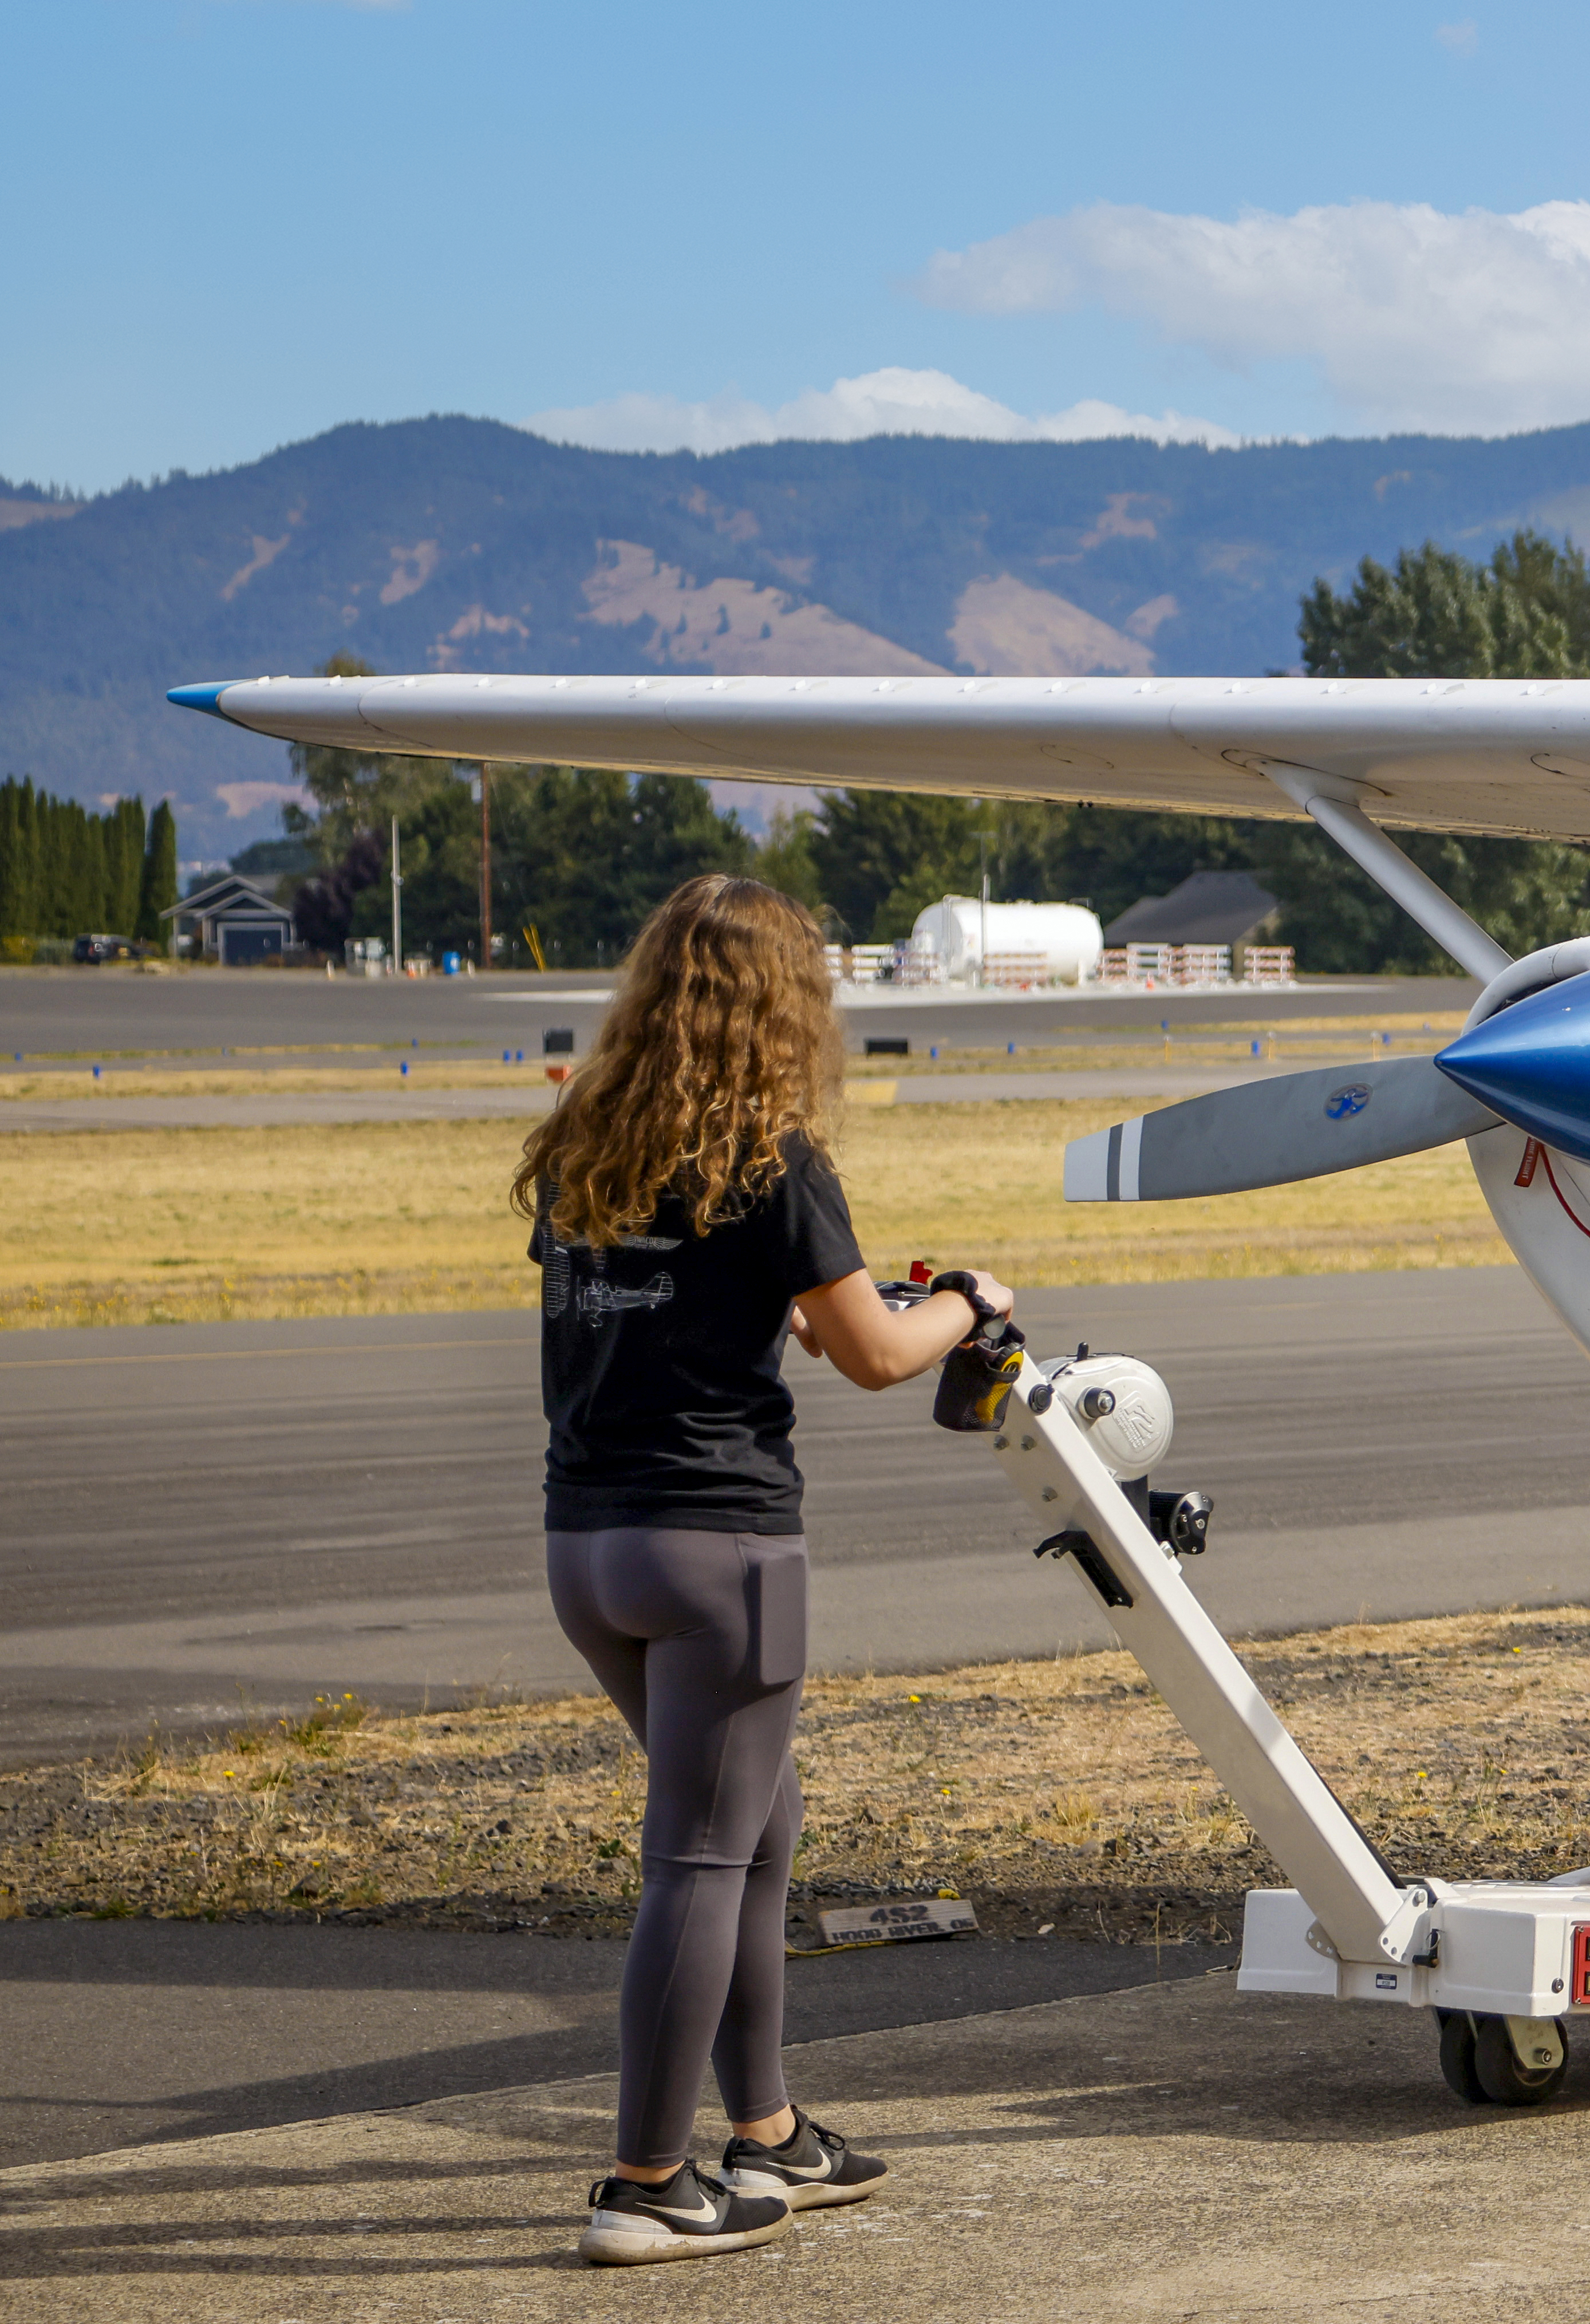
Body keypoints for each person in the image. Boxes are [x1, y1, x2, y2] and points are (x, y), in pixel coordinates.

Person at [515, 877, 1017, 2266]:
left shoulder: (583, 1151)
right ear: (781, 1006)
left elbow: (688, 1314)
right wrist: (967, 1304)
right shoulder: (772, 1158)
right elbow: (872, 1353)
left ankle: (770, 2130)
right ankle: (645, 2181)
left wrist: (794, 1315)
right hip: (720, 1552)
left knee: (757, 1827)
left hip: (589, 1544)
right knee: (696, 1856)